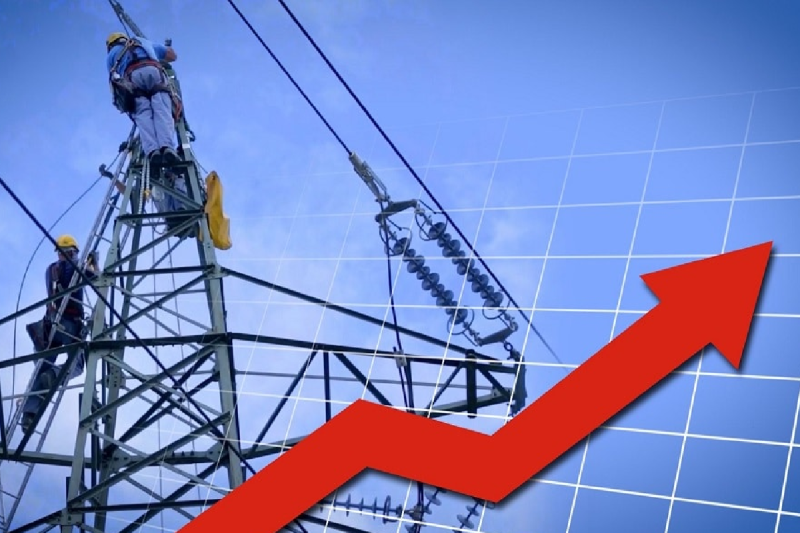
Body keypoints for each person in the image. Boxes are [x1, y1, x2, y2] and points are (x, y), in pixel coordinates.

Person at [20, 235, 98, 432]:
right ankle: (54, 375)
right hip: (70, 324)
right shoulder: (76, 266)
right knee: (77, 366)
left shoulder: (50, 270)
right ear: (73, 251)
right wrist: (93, 264)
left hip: (50, 325)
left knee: (41, 368)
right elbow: (96, 279)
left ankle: (28, 414)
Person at [105, 32, 180, 171]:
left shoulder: (111, 55)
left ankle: (152, 151)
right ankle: (167, 147)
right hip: (153, 70)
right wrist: (164, 52)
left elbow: (113, 82)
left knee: (143, 115)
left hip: (132, 79)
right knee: (162, 110)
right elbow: (172, 56)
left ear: (110, 45)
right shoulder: (142, 41)